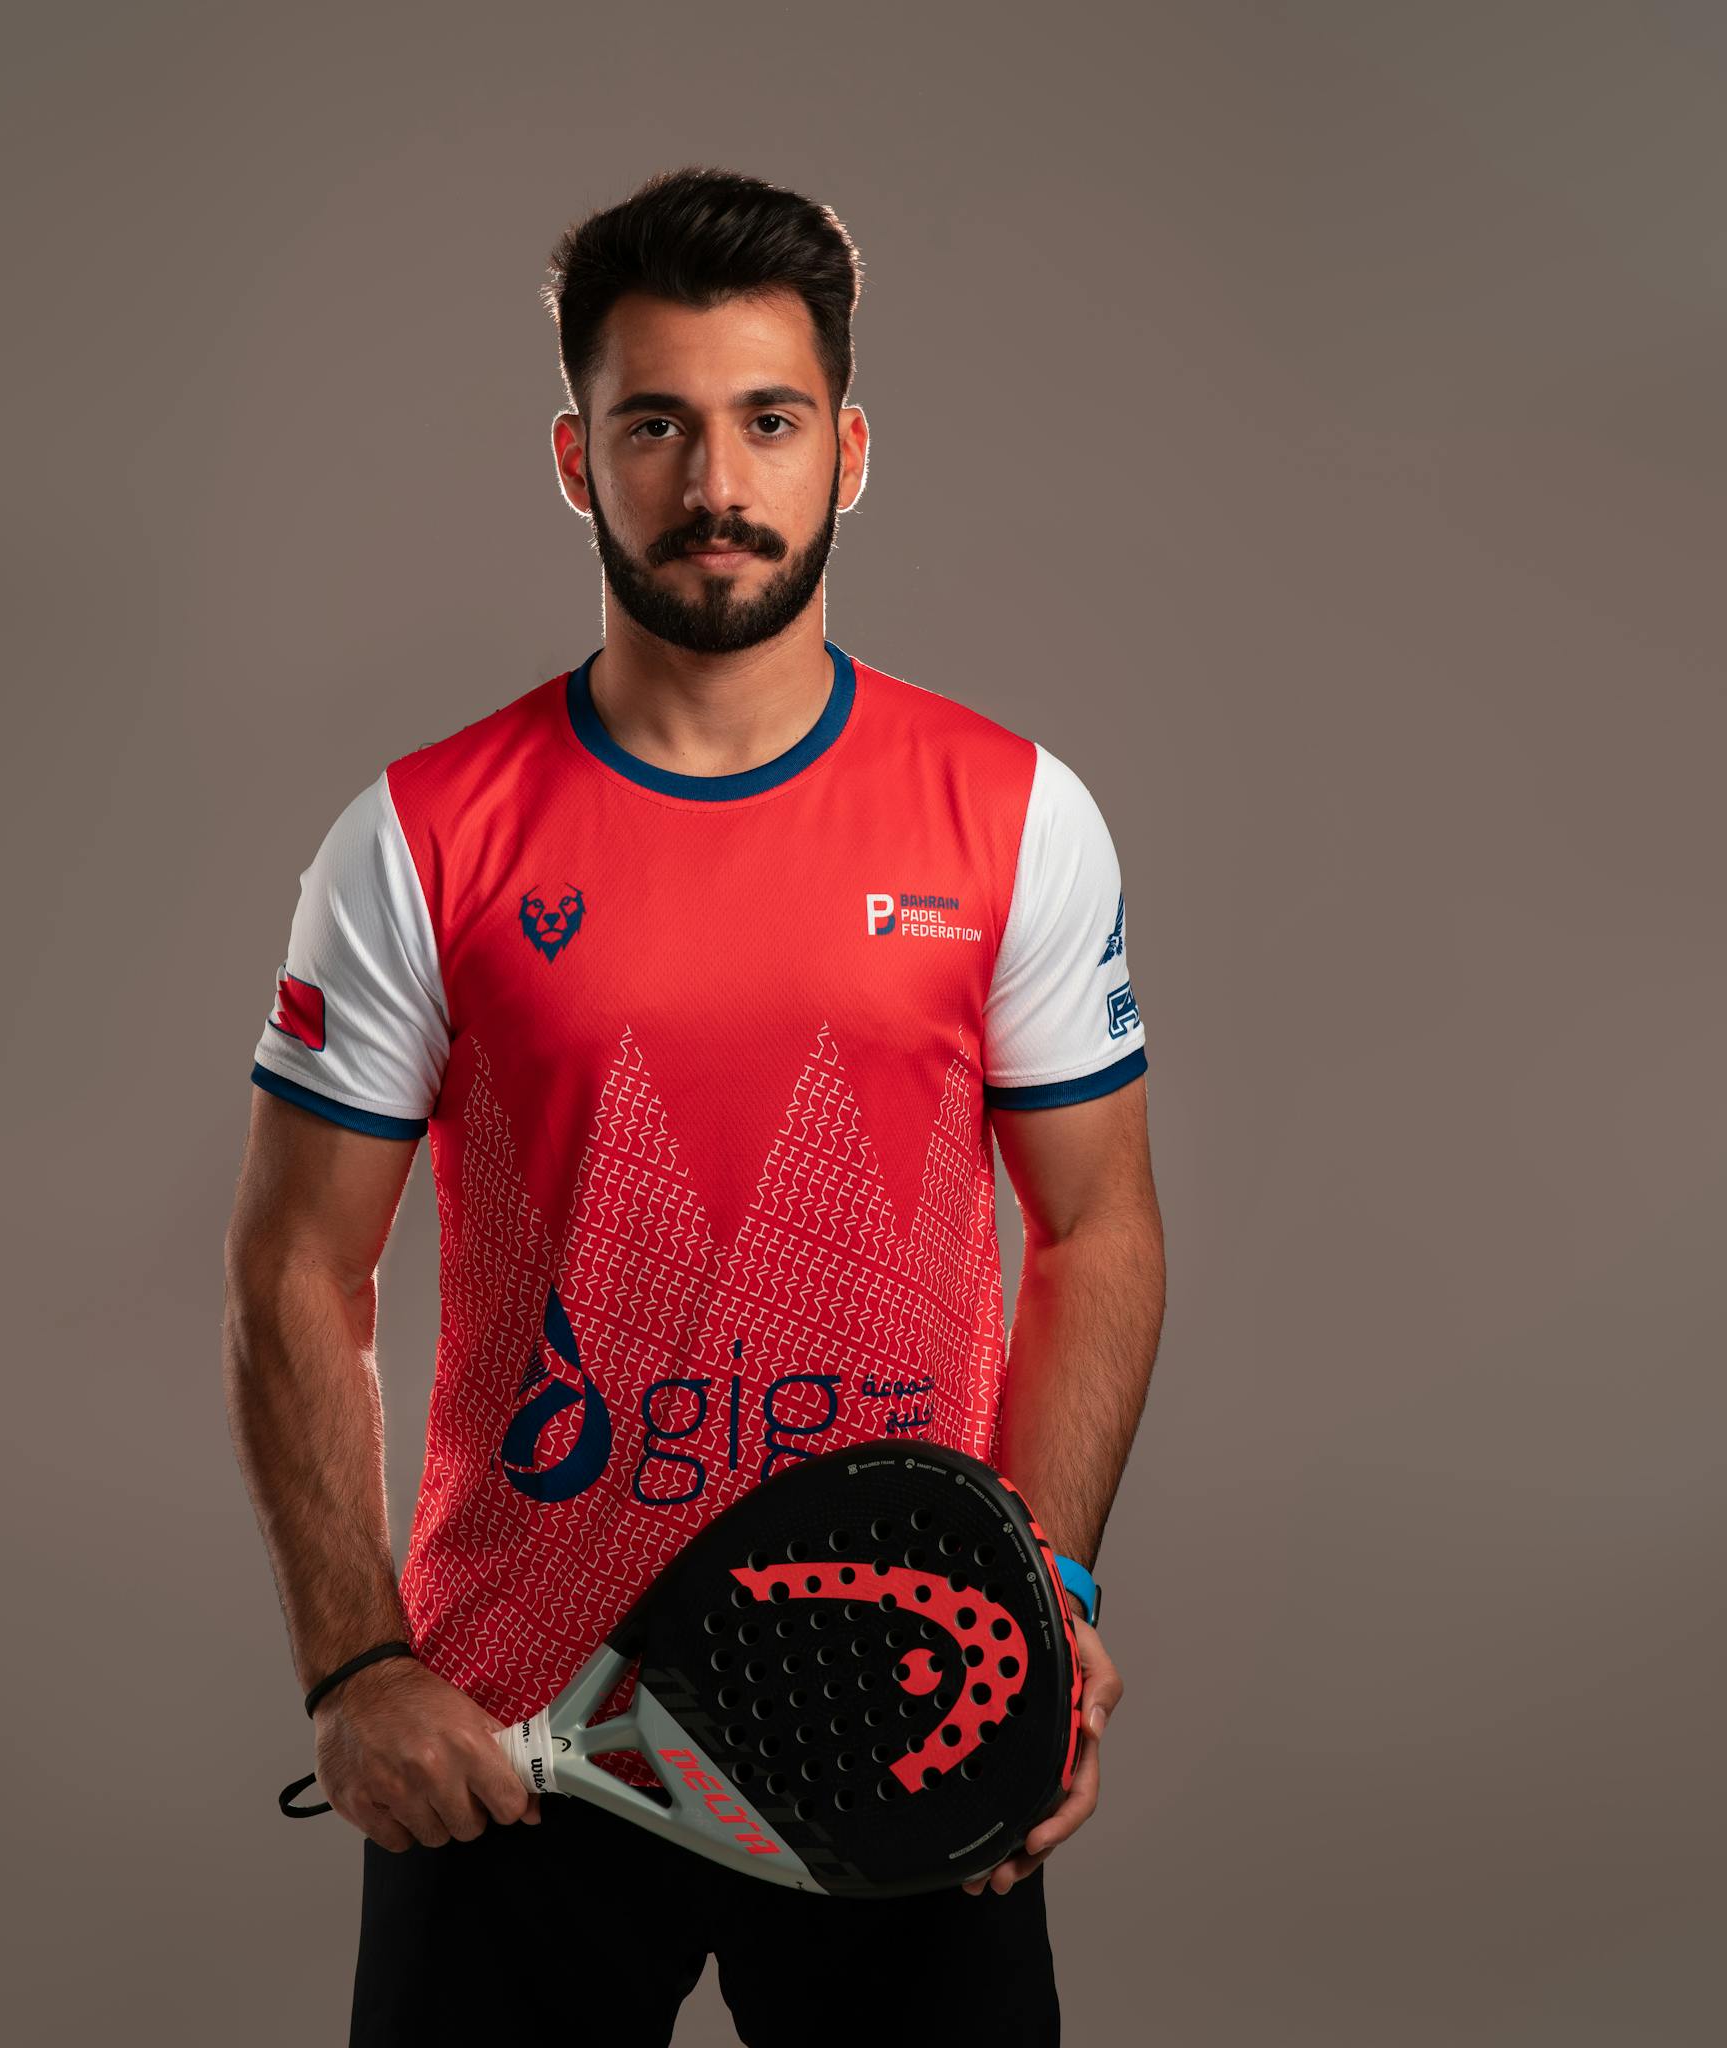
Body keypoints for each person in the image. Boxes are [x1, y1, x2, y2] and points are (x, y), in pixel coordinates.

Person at [223, 165, 1166, 2046]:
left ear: (851, 449)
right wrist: (354, 1668)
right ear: (577, 460)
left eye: (768, 421)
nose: (715, 483)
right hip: (512, 1729)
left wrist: (1038, 1599)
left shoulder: (1017, 812)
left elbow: (1098, 1226)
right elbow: (291, 1275)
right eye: (655, 424)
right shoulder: (416, 836)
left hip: (908, 1705)